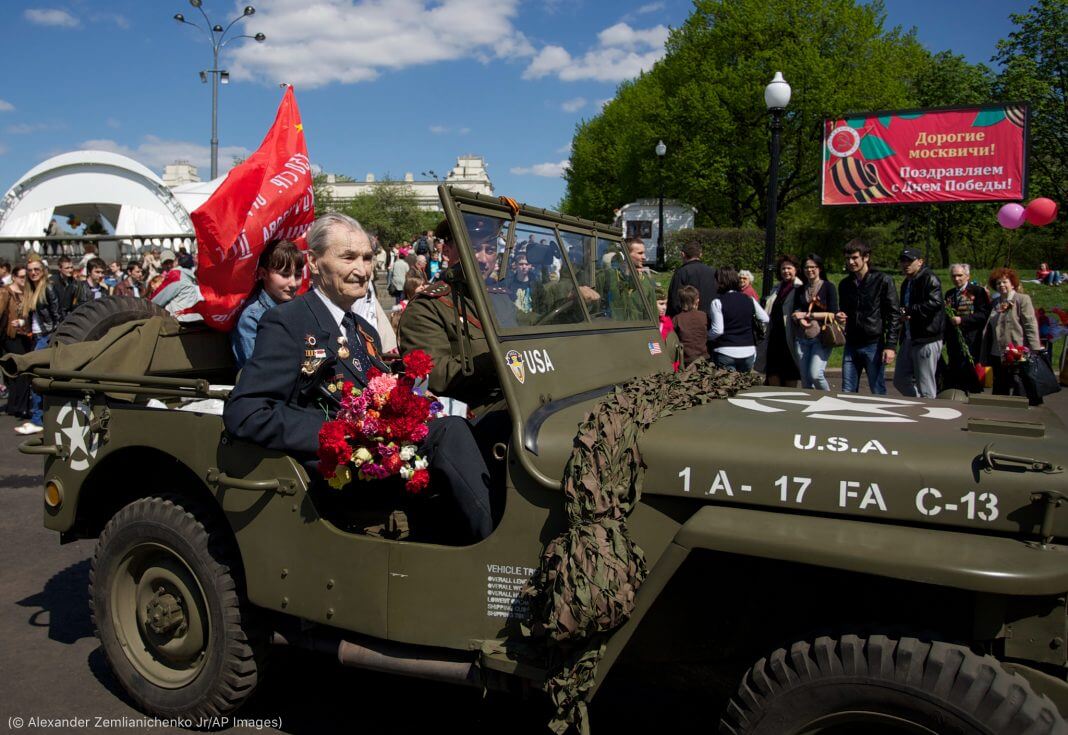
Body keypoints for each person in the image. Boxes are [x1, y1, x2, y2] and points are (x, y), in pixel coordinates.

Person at [224, 213, 494, 541]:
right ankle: (496, 547)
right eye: (348, 257)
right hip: (336, 473)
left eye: (367, 258)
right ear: (314, 262)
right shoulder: (287, 322)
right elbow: (247, 411)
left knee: (482, 428)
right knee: (449, 432)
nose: (363, 270)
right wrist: (339, 434)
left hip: (383, 457)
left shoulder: (361, 328)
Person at [397, 219, 503, 418]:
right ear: (446, 252)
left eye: (490, 250)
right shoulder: (427, 306)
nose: (482, 259)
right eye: (473, 249)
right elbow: (433, 376)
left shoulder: (501, 298)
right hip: (473, 416)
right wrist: (498, 362)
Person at [835, 239, 899, 395]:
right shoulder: (845, 284)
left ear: (866, 257)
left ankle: (882, 419)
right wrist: (840, 317)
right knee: (847, 391)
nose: (851, 262)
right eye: (848, 258)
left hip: (874, 344)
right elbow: (844, 311)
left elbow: (894, 314)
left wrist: (890, 346)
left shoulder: (883, 280)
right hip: (851, 343)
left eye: (855, 258)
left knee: (877, 390)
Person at [231, 240, 304, 369]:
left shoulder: (303, 308)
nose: (293, 284)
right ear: (263, 273)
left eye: (298, 275)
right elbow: (258, 372)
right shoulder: (251, 318)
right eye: (284, 275)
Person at [14, 257, 63, 434]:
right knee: (36, 377)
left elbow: (58, 316)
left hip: (46, 337)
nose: (33, 272)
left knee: (35, 377)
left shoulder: (47, 288)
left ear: (43, 271)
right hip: (36, 336)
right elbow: (37, 317)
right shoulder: (31, 290)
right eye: (30, 270)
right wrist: (21, 322)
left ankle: (38, 420)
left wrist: (54, 339)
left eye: (37, 269)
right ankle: (40, 419)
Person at [981, 267, 1044, 403]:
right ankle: (998, 415)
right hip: (997, 352)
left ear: (1012, 283)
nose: (1001, 285)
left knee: (1019, 387)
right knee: (1000, 387)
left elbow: (1030, 325)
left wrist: (1034, 349)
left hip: (1017, 353)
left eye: (1005, 282)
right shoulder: (995, 303)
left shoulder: (1022, 299)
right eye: (998, 283)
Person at [893, 248, 944, 398]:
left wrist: (911, 311)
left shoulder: (929, 278)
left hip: (927, 337)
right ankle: (917, 405)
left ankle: (930, 416)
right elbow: (905, 307)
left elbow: (935, 303)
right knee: (900, 380)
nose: (905, 264)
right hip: (910, 336)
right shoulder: (906, 283)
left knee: (926, 386)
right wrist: (903, 314)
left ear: (920, 262)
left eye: (910, 261)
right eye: (903, 261)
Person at [790, 254, 838, 390]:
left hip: (821, 337)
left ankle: (829, 399)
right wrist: (799, 320)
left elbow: (833, 314)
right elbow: (795, 311)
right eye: (806, 267)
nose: (809, 270)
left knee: (816, 374)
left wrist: (807, 315)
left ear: (820, 268)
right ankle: (811, 406)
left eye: (813, 267)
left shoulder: (828, 287)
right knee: (805, 379)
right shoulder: (800, 289)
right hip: (802, 338)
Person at [709, 268, 769, 372]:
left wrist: (707, 336)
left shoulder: (717, 302)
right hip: (748, 349)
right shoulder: (749, 299)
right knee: (744, 385)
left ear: (721, 282)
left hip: (725, 349)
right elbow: (765, 318)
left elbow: (718, 330)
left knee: (726, 386)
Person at [943, 263, 991, 393]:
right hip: (954, 340)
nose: (956, 279)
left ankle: (972, 393)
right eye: (953, 276)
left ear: (967, 276)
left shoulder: (978, 291)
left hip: (971, 338)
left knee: (968, 368)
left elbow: (984, 314)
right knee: (955, 368)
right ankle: (956, 394)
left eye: (960, 275)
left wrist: (962, 320)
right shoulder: (949, 293)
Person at [762, 255, 803, 387]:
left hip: (790, 337)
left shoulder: (800, 288)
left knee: (790, 375)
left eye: (789, 268)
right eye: (783, 268)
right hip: (774, 338)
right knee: (772, 374)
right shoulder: (777, 288)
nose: (786, 271)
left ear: (796, 269)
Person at [1, 264, 34, 418]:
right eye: (21, 277)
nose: (24, 280)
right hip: (11, 336)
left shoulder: (28, 293)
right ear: (13, 277)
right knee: (21, 371)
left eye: (25, 277)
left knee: (18, 373)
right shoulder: (5, 292)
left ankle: (15, 406)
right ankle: (20, 407)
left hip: (26, 335)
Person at [666, 240, 717, 318]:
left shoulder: (681, 273)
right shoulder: (713, 272)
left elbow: (674, 301)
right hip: (710, 320)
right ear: (700, 254)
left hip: (687, 322)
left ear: (682, 254)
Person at [151, 252, 201, 320]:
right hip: (195, 318)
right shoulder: (186, 273)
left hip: (184, 321)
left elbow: (155, 300)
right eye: (166, 263)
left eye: (171, 262)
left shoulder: (175, 274)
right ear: (162, 265)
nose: (169, 265)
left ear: (176, 261)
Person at [672, 285, 709, 366]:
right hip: (703, 358)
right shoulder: (703, 315)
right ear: (695, 301)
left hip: (686, 360)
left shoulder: (677, 319)